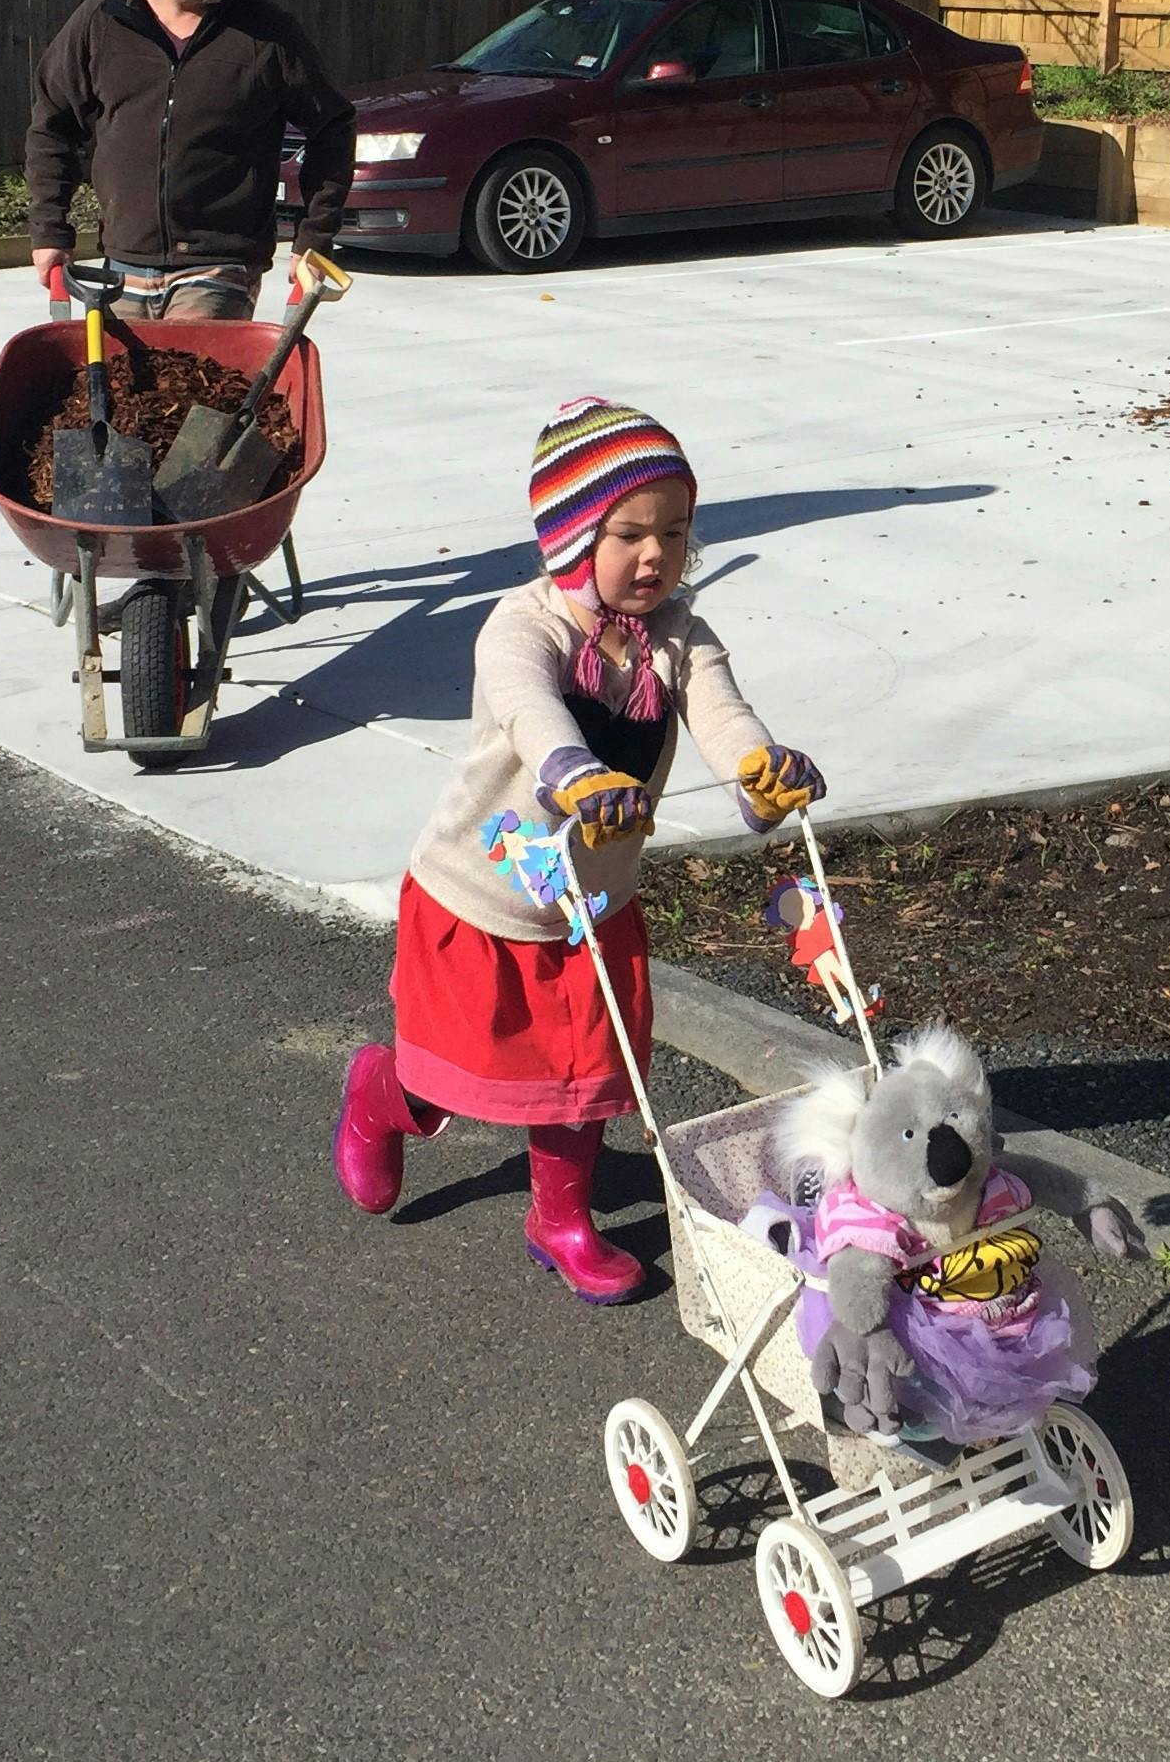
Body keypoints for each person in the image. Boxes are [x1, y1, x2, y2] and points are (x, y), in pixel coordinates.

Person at [331, 398, 827, 1302]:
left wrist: (759, 767)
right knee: (452, 1076)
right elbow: (531, 708)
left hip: (590, 910)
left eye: (675, 534)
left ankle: (559, 1218)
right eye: (630, 534)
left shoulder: (681, 635)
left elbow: (720, 711)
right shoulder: (523, 627)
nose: (656, 556)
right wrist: (574, 771)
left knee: (586, 1076)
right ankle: (384, 1094)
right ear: (570, 539)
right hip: (476, 897)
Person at [25, 0, 356, 321]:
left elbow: (332, 127)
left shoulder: (267, 35)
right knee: (122, 389)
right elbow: (52, 121)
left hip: (220, 264)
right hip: (123, 261)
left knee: (194, 384)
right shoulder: (102, 21)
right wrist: (49, 229)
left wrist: (313, 236)